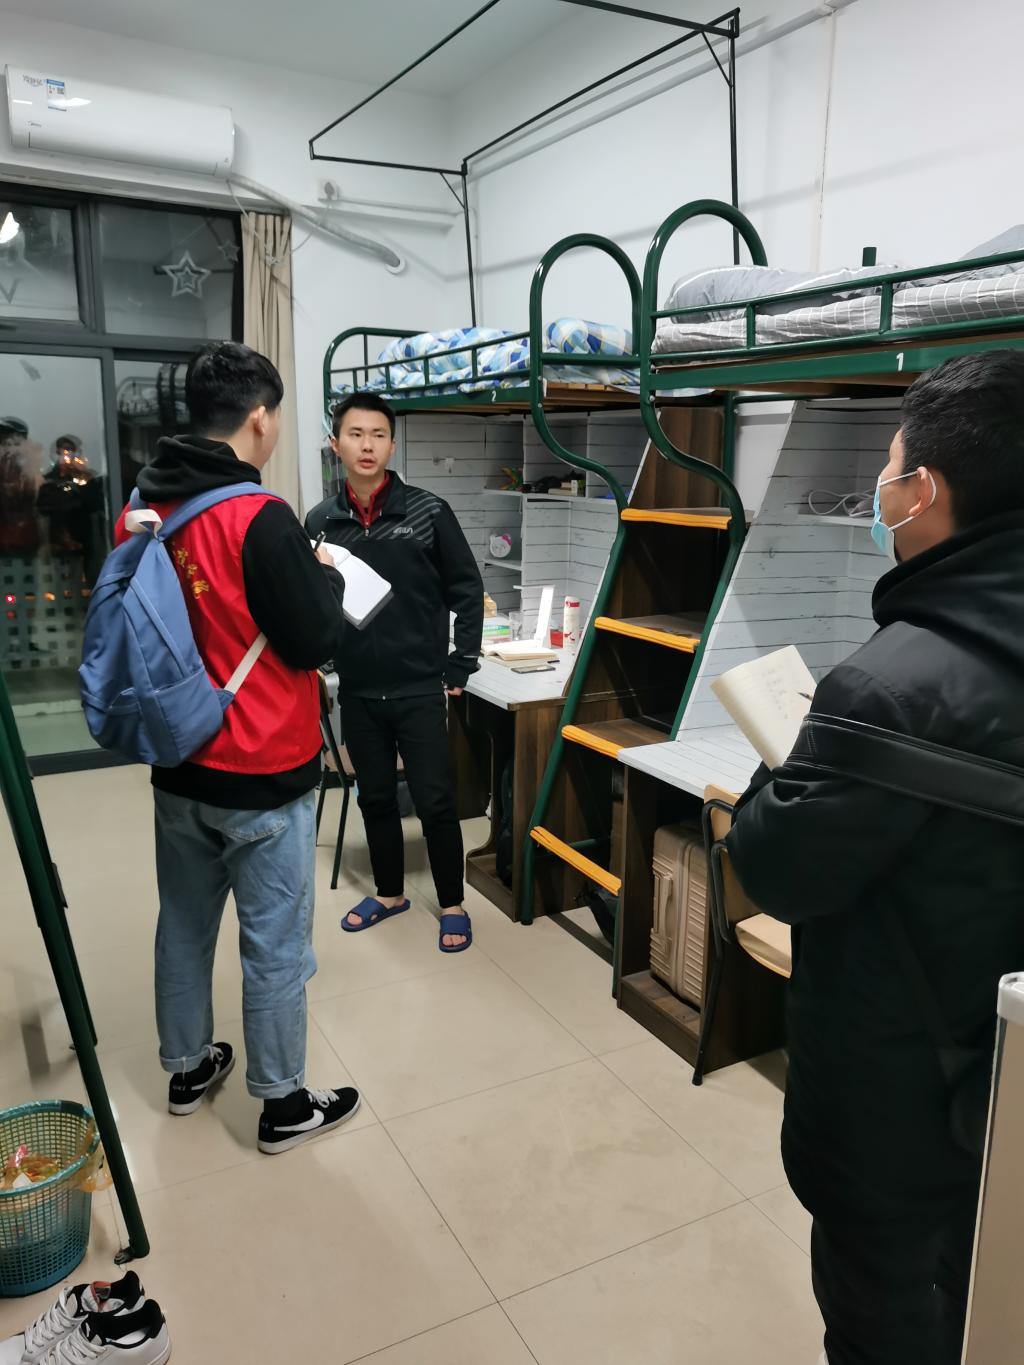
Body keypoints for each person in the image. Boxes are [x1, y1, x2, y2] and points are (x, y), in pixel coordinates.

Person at [726, 349, 1024, 1365]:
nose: (880, 491)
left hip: (903, 1109)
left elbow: (776, 869)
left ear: (923, 491)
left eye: (888, 468)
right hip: (1002, 1081)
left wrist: (784, 770)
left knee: (883, 1319)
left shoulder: (887, 683)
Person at [115, 341, 361, 1155]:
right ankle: (283, 1105)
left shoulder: (144, 508)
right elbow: (314, 638)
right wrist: (325, 576)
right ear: (259, 418)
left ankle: (187, 1067)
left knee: (184, 923)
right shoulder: (260, 517)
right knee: (274, 944)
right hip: (261, 767)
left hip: (177, 759)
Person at [305, 393, 483, 951]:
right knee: (374, 797)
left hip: (419, 686)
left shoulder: (428, 512)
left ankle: (452, 903)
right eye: (355, 434)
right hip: (358, 688)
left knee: (435, 800)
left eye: (378, 435)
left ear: (392, 445)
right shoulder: (319, 521)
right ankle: (389, 894)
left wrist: (462, 662)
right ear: (336, 444)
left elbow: (467, 588)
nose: (367, 445)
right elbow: (316, 601)